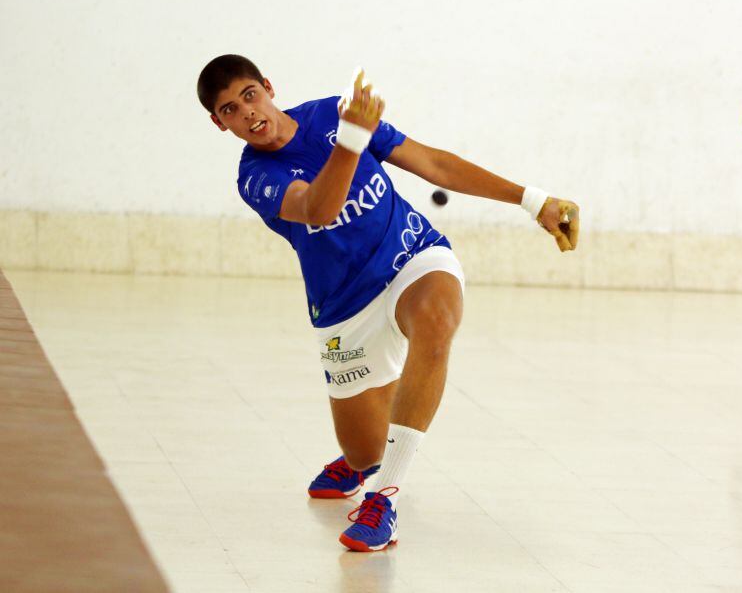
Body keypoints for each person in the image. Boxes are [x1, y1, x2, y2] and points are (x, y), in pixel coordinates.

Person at [196, 55, 580, 551]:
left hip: (413, 256)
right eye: (230, 109)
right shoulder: (255, 176)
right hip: (344, 305)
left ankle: (384, 500)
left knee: (436, 323)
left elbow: (435, 165)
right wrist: (352, 141)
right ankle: (361, 466)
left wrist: (534, 201)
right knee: (364, 453)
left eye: (250, 95)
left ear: (268, 87)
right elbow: (318, 208)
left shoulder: (332, 114)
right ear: (219, 124)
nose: (247, 112)